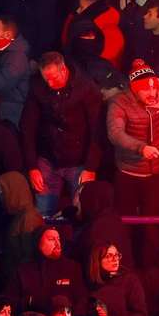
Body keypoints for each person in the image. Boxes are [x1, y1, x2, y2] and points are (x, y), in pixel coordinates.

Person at [107, 59, 159, 265]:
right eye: (146, 91)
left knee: (152, 226)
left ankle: (150, 268)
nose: (152, 95)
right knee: (125, 223)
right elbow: (115, 133)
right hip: (128, 174)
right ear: (135, 89)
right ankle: (124, 265)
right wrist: (141, 147)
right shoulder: (119, 102)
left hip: (155, 176)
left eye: (154, 89)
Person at [20, 51, 102, 216]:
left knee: (81, 212)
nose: (50, 84)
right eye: (46, 79)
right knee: (43, 213)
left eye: (54, 78)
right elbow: (27, 127)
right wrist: (32, 166)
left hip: (78, 161)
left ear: (63, 69)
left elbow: (97, 130)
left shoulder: (86, 88)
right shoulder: (37, 87)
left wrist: (91, 167)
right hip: (48, 158)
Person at [6, 226, 87, 316]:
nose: (57, 243)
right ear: (38, 243)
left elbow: (82, 301)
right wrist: (32, 301)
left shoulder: (72, 268)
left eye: (58, 239)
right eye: (51, 239)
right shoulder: (23, 271)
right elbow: (9, 303)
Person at [0, 15, 30, 126]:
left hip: (11, 113)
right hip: (3, 108)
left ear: (7, 35)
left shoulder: (17, 58)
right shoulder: (5, 53)